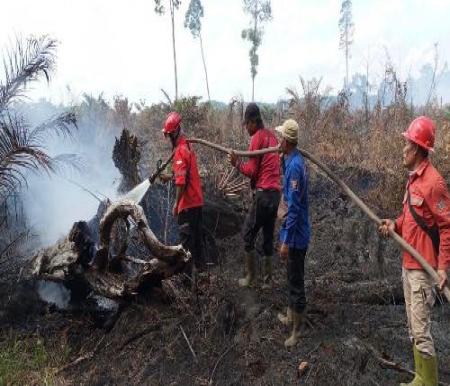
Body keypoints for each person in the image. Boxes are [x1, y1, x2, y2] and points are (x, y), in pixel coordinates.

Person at [379, 116, 450, 386]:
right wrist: (394, 224)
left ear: (419, 148)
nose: (403, 149)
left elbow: (446, 227)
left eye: (407, 144)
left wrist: (442, 266)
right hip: (408, 265)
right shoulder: (413, 181)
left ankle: (428, 382)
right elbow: (410, 217)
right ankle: (420, 377)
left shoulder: (434, 183)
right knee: (412, 328)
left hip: (423, 270)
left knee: (421, 331)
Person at [228, 103, 281, 289]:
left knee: (247, 234)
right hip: (275, 195)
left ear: (253, 122)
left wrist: (236, 163)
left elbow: (251, 171)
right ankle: (268, 280)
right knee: (267, 235)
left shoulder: (257, 138)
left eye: (246, 124)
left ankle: (250, 277)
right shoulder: (272, 137)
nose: (246, 128)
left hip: (264, 194)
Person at [275, 119, 311, 347]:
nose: (278, 140)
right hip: (292, 231)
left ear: (286, 141)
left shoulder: (296, 167)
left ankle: (298, 331)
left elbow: (295, 208)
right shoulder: (290, 161)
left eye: (281, 138)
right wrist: (281, 159)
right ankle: (290, 315)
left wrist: (286, 241)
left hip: (296, 236)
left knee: (296, 282)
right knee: (290, 276)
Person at [162, 111, 205, 273]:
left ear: (174, 132)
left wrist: (175, 204)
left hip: (187, 204)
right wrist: (169, 177)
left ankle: (187, 280)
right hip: (197, 201)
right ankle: (201, 273)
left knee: (186, 246)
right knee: (198, 240)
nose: (168, 139)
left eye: (168, 135)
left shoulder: (180, 150)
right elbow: (183, 174)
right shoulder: (187, 145)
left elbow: (181, 182)